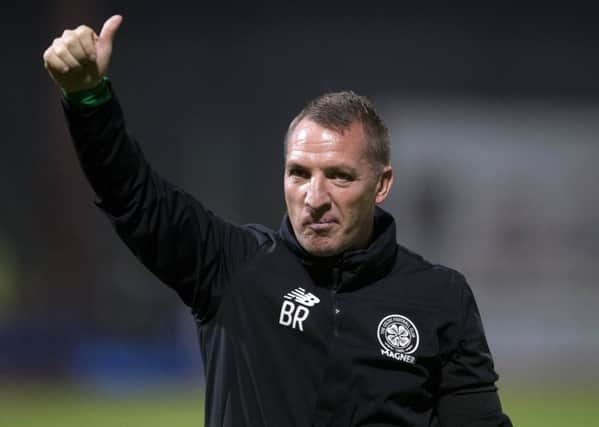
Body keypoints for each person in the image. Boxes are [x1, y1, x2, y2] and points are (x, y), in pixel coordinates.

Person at [43, 14, 512, 427]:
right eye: (299, 173)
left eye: (339, 177)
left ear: (382, 184)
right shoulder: (233, 268)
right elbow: (132, 196)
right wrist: (89, 100)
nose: (315, 197)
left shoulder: (439, 298)